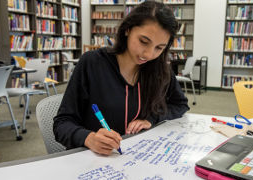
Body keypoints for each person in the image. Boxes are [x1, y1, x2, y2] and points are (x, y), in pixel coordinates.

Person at [53, 1, 190, 156]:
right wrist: (88, 138)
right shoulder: (92, 63)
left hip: (136, 159)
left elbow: (180, 105)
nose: (148, 54)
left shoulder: (159, 69)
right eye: (143, 41)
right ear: (127, 30)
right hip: (92, 160)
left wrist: (152, 119)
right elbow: (62, 123)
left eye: (159, 48)